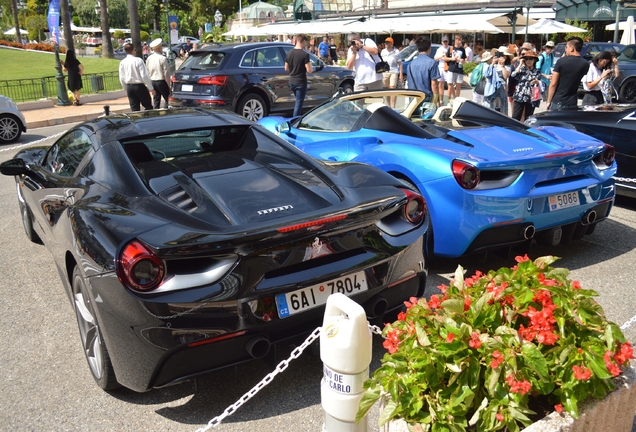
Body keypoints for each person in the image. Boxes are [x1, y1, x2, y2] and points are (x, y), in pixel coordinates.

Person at [547, 37, 589, 110]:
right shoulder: (585, 64)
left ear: (572, 48)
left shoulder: (561, 62)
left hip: (559, 100)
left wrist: (548, 101)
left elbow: (553, 84)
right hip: (572, 101)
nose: (565, 49)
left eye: (566, 47)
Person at [119, 43, 155, 112]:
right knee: (148, 106)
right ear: (133, 50)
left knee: (134, 109)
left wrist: (126, 88)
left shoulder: (122, 62)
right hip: (139, 86)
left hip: (129, 87)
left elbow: (121, 77)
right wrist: (151, 88)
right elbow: (144, 76)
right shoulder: (138, 60)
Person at [285, 34, 312, 117]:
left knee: (298, 101)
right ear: (303, 41)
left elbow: (286, 68)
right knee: (298, 103)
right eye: (305, 42)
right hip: (301, 82)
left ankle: (299, 118)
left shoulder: (289, 53)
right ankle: (295, 121)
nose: (305, 44)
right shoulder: (305, 54)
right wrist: (311, 65)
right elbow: (309, 70)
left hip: (292, 81)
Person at [407, 36, 440, 105]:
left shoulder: (410, 64)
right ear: (429, 48)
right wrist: (437, 101)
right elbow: (434, 85)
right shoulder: (432, 63)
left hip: (413, 101)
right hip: (427, 100)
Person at [510, 50, 542, 121]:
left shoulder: (537, 71)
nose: (528, 61)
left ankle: (526, 132)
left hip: (531, 97)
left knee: (529, 118)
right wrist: (520, 63)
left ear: (534, 60)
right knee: (515, 117)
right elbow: (513, 75)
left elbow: (541, 84)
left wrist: (537, 82)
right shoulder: (521, 69)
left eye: (531, 59)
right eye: (526, 59)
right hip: (520, 96)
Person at [146, 38, 171, 109]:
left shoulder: (149, 58)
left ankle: (156, 113)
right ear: (158, 48)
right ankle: (166, 112)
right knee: (167, 99)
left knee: (156, 100)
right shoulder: (162, 58)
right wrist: (169, 85)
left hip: (153, 81)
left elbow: (147, 70)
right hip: (161, 81)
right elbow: (166, 73)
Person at [443, 35, 466, 104]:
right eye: (458, 40)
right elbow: (445, 58)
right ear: (455, 40)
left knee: (458, 86)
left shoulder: (463, 49)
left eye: (460, 40)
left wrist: (462, 61)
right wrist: (453, 59)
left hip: (459, 69)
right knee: (450, 85)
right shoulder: (451, 48)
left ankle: (457, 100)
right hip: (451, 68)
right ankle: (448, 101)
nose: (459, 41)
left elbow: (464, 59)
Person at [381, 37, 403, 107]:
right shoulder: (383, 51)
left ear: (391, 43)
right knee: (386, 89)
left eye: (387, 43)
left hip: (394, 71)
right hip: (385, 72)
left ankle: (393, 106)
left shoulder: (396, 52)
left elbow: (400, 63)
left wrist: (401, 74)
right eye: (385, 43)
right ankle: (389, 105)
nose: (386, 44)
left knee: (392, 88)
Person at [433, 35, 450, 105]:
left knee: (450, 84)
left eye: (446, 41)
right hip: (441, 67)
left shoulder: (450, 48)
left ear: (448, 42)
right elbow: (435, 58)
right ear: (442, 42)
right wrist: (442, 56)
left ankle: (449, 100)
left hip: (448, 67)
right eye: (444, 41)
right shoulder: (439, 49)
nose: (445, 43)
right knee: (441, 84)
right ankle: (441, 100)